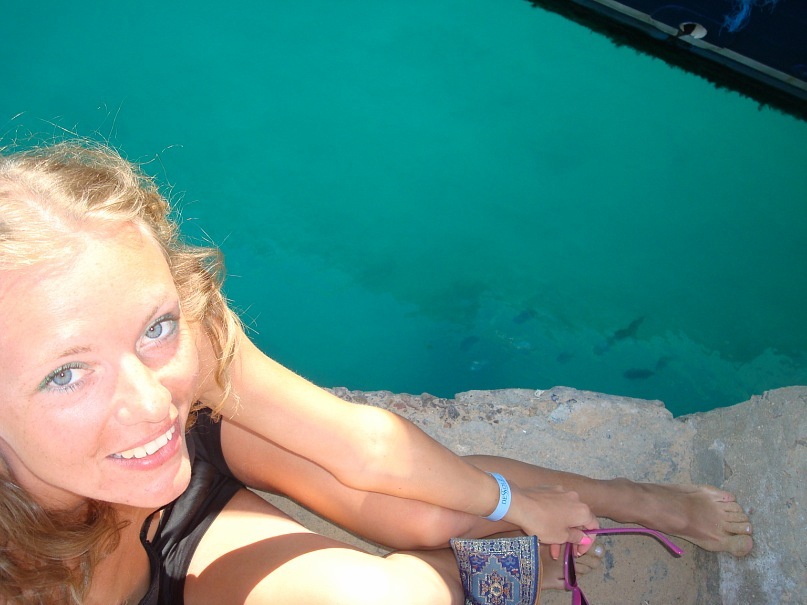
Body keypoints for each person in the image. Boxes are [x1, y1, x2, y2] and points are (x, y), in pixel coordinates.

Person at [0, 141, 753, 605]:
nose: (150, 403)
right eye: (66, 374)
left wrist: (515, 502)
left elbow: (363, 446)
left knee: (430, 508)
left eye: (154, 327)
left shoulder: (186, 351)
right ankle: (479, 570)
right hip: (161, 570)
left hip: (203, 468)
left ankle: (629, 497)